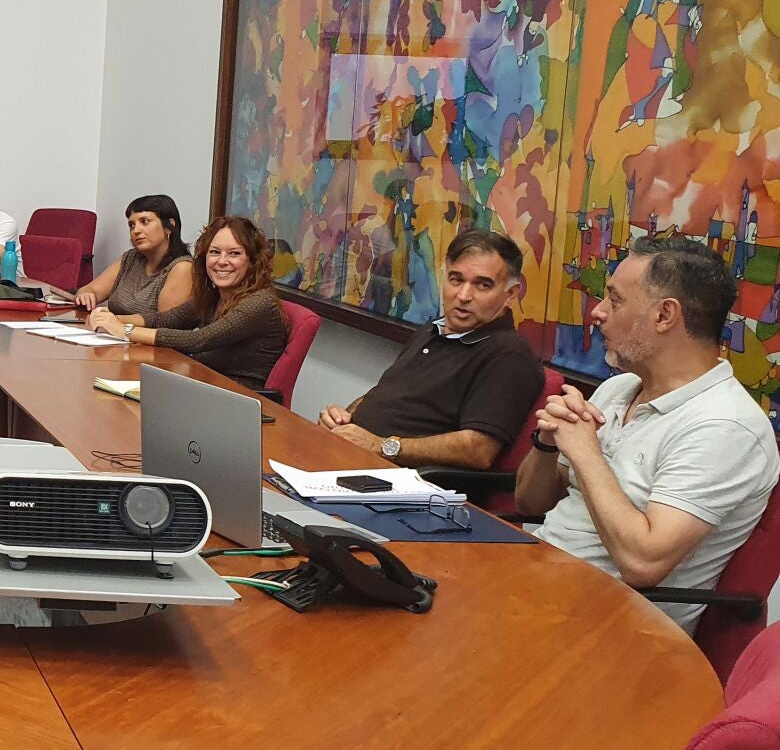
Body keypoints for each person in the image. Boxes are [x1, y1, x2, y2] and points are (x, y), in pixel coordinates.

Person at [518, 237, 777, 633]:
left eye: (615, 300)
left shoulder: (726, 426)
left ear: (664, 315)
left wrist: (585, 452)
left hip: (612, 630)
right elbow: (529, 502)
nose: (597, 312)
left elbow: (642, 564)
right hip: (537, 584)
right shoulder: (619, 388)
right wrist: (547, 444)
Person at [316, 229, 545, 468]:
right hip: (349, 454)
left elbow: (478, 449)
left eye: (483, 285)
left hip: (394, 478)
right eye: (456, 279)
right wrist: (342, 419)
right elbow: (387, 393)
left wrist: (382, 446)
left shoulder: (508, 353)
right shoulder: (432, 330)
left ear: (510, 294)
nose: (464, 295)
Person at [88, 216, 287, 391]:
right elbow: (167, 319)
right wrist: (110, 319)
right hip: (203, 382)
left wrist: (124, 331)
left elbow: (198, 340)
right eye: (214, 252)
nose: (222, 261)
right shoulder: (214, 295)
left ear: (252, 261)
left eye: (234, 253)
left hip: (238, 396)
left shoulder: (260, 302)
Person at [76, 194, 195, 315]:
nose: (136, 231)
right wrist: (85, 294)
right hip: (109, 326)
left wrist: (114, 321)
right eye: (132, 225)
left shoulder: (182, 267)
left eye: (145, 221)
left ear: (169, 226)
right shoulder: (131, 258)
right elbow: (90, 289)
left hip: (121, 326)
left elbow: (164, 323)